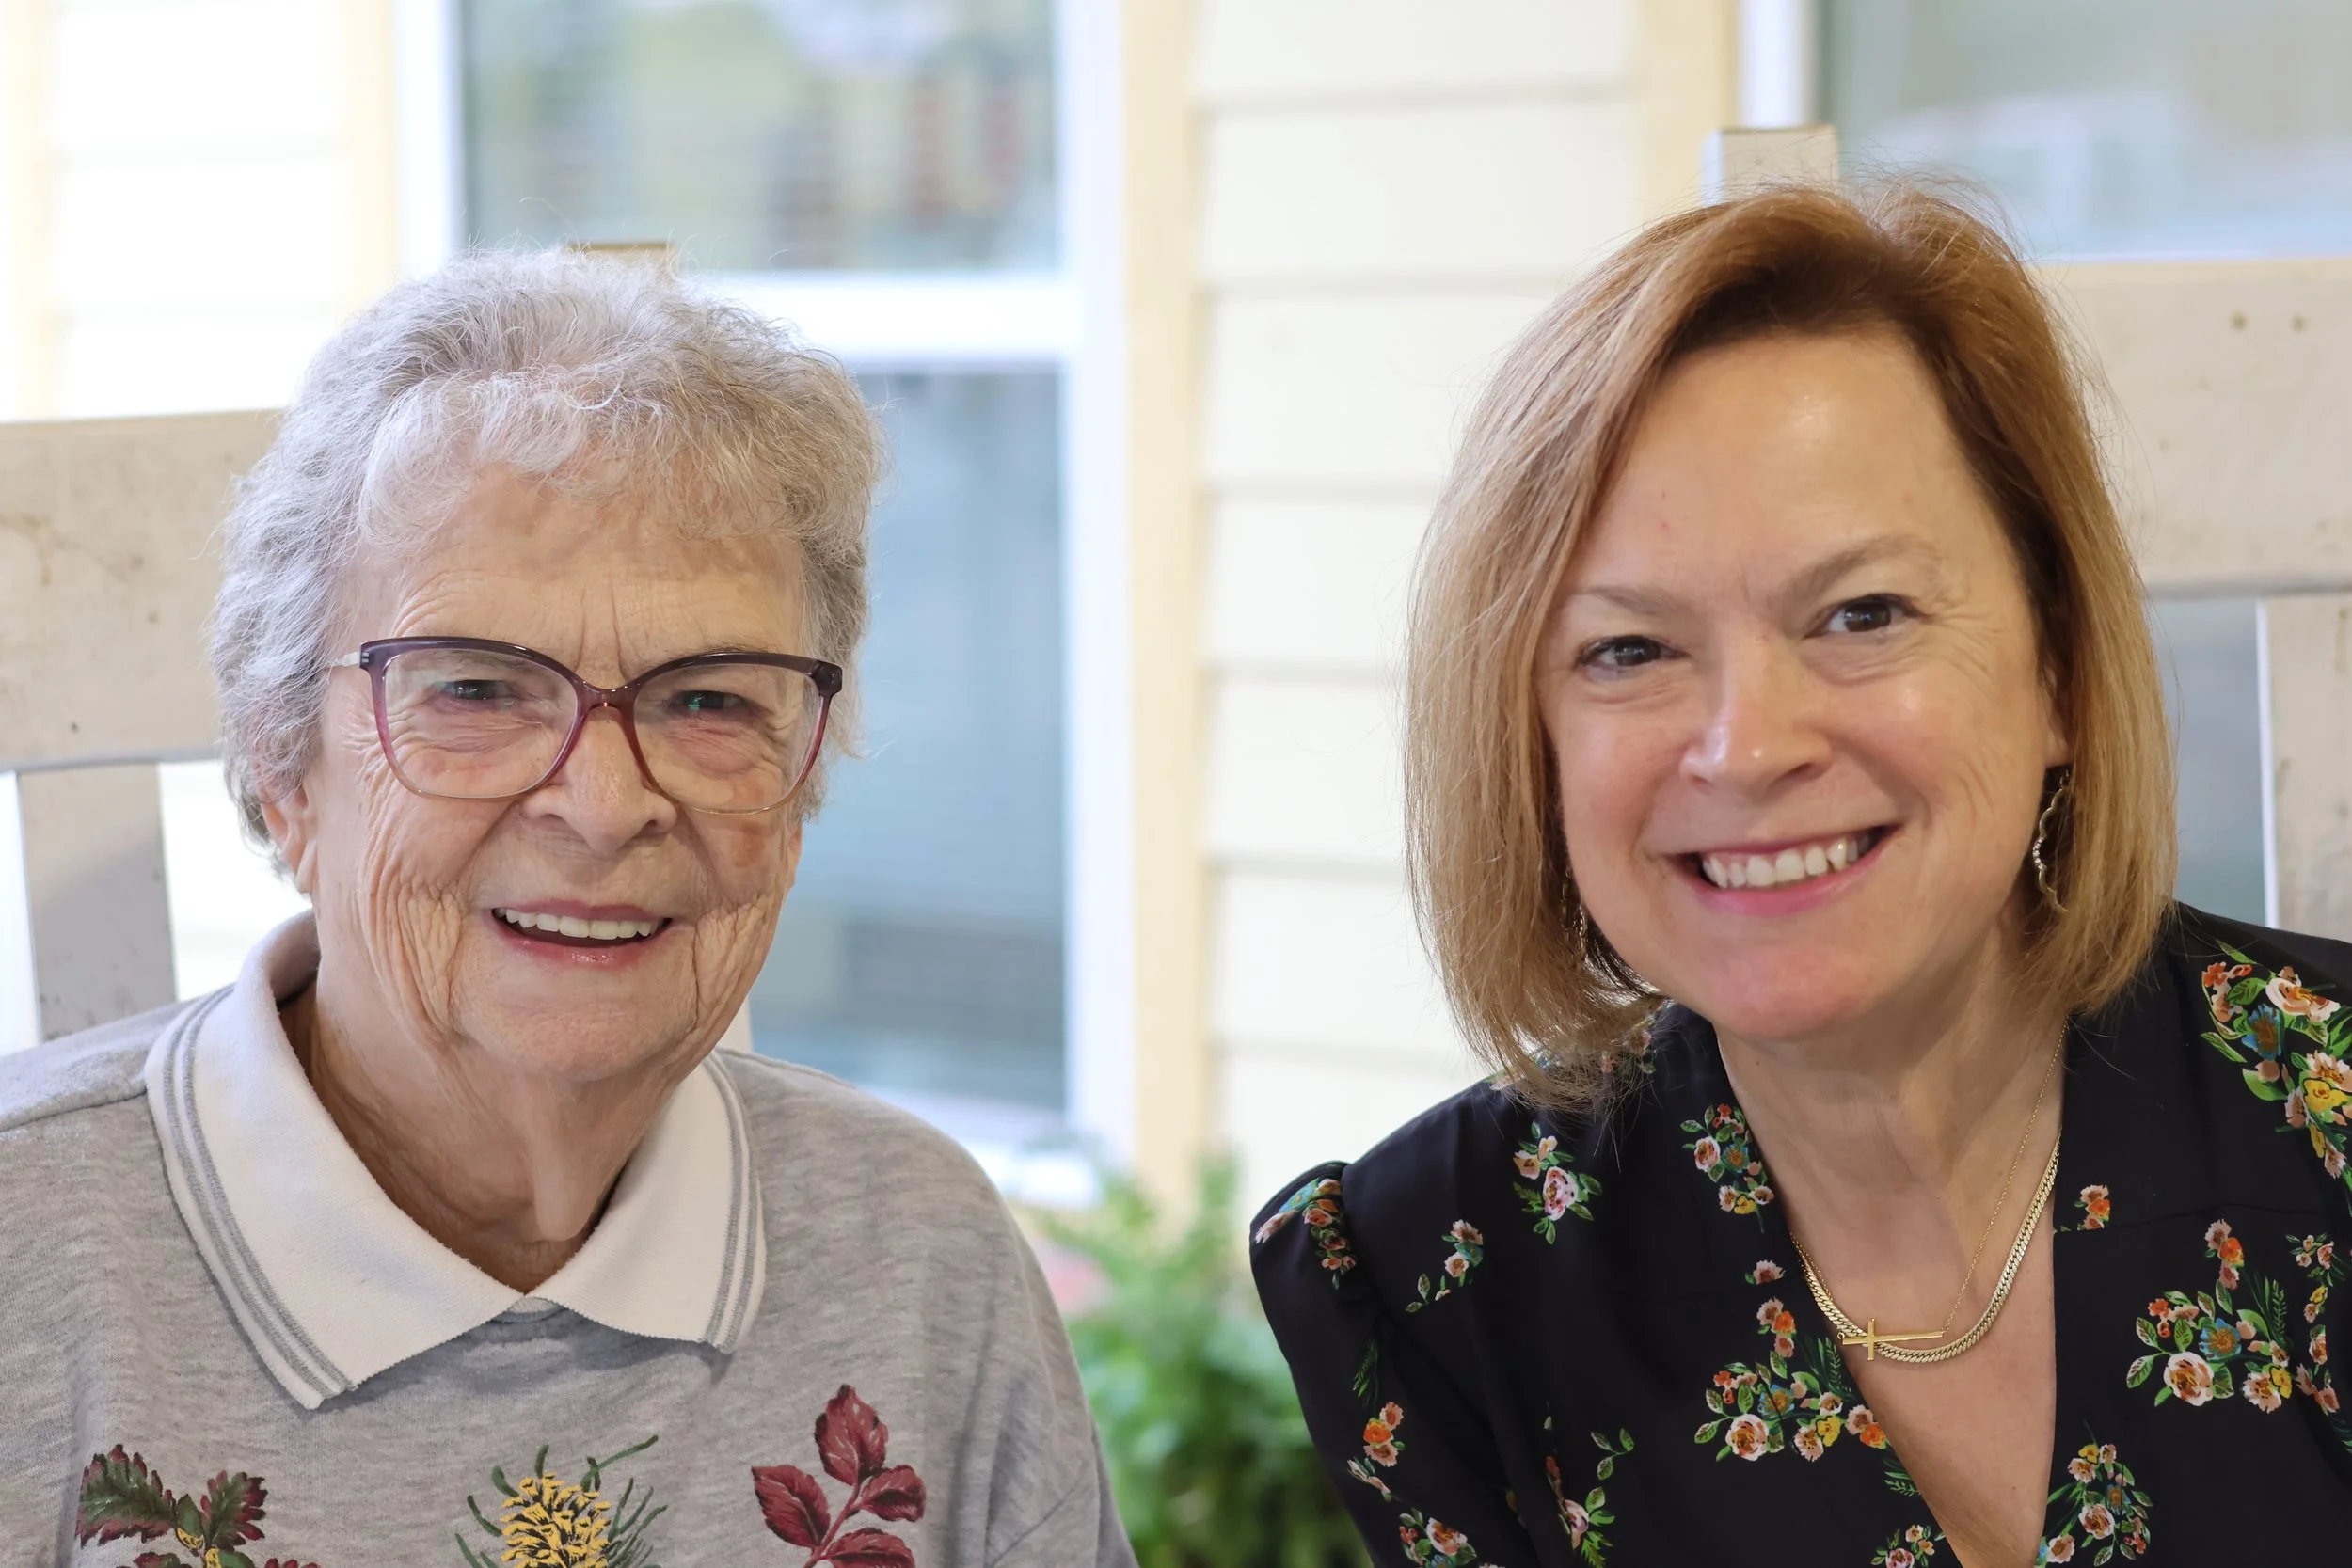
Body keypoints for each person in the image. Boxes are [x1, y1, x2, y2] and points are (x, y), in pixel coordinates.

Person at [1251, 182, 2352, 1567]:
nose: (1749, 746)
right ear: (1529, 741)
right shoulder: (1447, 1281)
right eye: (1630, 650)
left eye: (1863, 614)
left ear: (2060, 666)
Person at [0, 251, 1132, 1567]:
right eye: (474, 689)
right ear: (280, 764)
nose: (603, 804)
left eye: (710, 697)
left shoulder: (922, 1260)